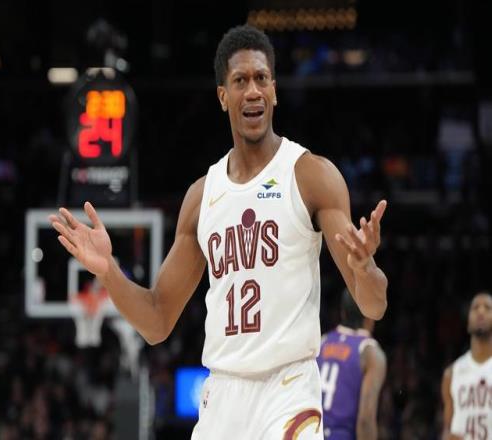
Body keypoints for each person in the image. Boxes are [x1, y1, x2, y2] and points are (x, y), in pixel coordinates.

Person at [50, 24, 388, 439]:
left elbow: (373, 305)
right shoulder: (202, 197)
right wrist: (108, 271)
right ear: (223, 96)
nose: (253, 90)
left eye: (262, 78)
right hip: (223, 395)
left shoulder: (311, 176)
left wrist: (366, 267)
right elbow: (156, 321)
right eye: (240, 80)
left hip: (288, 389)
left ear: (275, 90)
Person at [317, 289, 386, 439]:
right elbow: (365, 421)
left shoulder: (322, 342)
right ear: (371, 314)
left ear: (343, 313)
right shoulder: (370, 352)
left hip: (310, 433)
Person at [441, 291, 492, 440]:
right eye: (475, 307)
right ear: (468, 321)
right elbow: (447, 430)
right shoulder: (451, 374)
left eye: (487, 307)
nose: (481, 311)